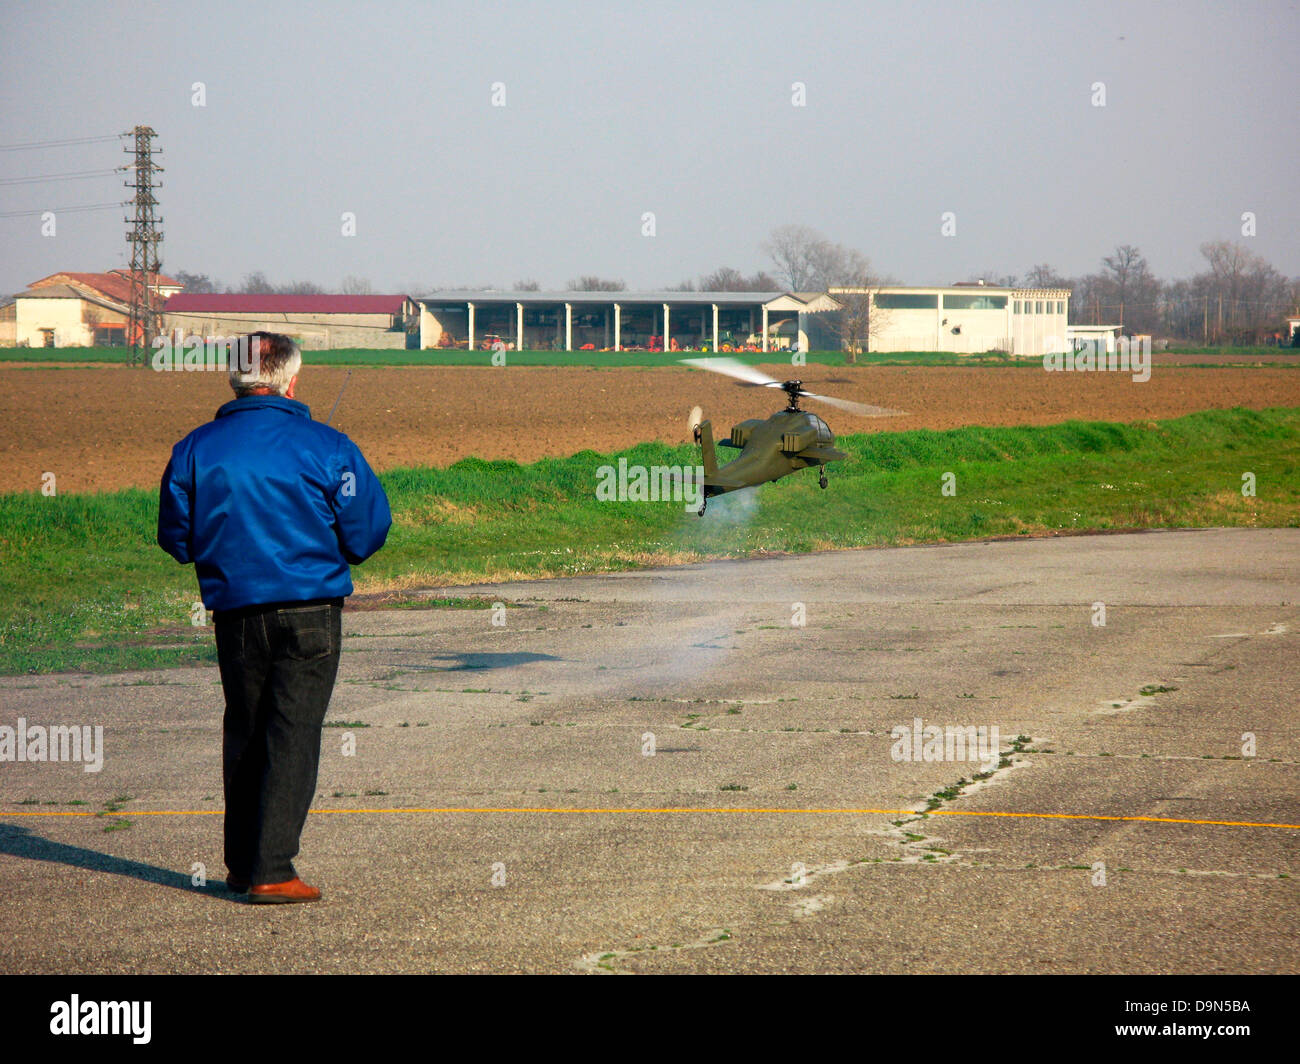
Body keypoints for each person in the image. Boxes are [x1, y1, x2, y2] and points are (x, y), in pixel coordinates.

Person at [158, 332, 391, 904]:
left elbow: (176, 538)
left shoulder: (194, 448)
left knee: (245, 729)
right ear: (291, 380)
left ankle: (242, 864)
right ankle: (272, 869)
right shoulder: (330, 446)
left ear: (233, 379)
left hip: (235, 612)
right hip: (310, 611)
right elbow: (366, 533)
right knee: (292, 734)